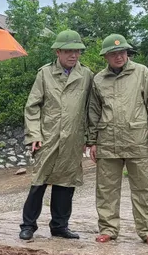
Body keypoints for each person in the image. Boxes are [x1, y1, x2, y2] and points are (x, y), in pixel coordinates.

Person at [87, 34, 148, 247]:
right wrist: (92, 142)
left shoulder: (141, 72)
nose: (119, 56)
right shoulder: (98, 79)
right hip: (107, 141)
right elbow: (93, 112)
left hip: (137, 139)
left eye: (122, 52)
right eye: (114, 53)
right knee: (106, 188)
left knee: (144, 187)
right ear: (106, 56)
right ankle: (108, 229)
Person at [19, 30, 93, 241]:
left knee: (66, 184)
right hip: (48, 136)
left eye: (77, 51)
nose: (74, 55)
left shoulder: (86, 75)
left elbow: (91, 108)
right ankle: (28, 225)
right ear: (58, 52)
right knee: (39, 182)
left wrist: (90, 137)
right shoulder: (45, 74)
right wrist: (34, 135)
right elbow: (32, 107)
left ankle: (60, 226)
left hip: (73, 138)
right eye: (69, 51)